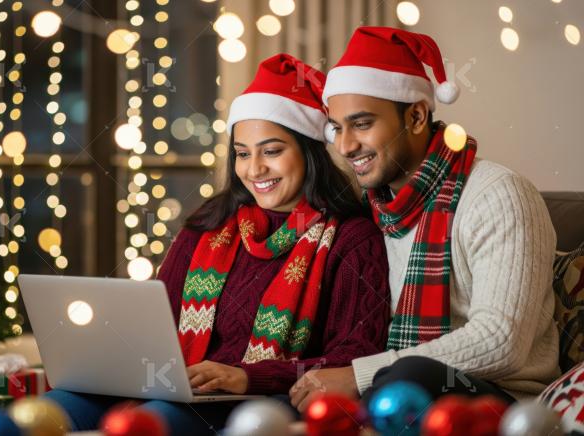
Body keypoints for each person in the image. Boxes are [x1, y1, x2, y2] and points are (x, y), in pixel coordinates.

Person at [46, 53, 391, 435]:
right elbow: (158, 320)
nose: (254, 169)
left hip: (255, 400)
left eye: (272, 151)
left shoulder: (351, 236)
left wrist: (247, 377)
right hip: (178, 385)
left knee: (155, 420)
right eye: (243, 153)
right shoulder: (211, 222)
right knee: (49, 410)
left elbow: (356, 355)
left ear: (309, 151)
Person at [289, 27, 559, 413]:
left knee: (410, 377)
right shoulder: (367, 211)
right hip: (393, 389)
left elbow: (501, 341)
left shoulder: (498, 193)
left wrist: (359, 376)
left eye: (362, 124)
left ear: (416, 116)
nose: (346, 145)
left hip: (503, 402)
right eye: (337, 128)